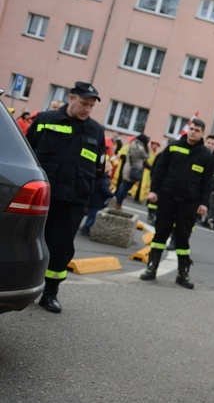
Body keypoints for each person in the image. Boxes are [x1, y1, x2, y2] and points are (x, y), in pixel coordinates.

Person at [26, 81, 106, 313]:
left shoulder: (96, 131)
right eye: (83, 104)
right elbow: (28, 153)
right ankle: (23, 284)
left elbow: (98, 169)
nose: (87, 109)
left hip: (74, 200)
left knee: (60, 249)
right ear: (71, 98)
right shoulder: (45, 120)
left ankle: (50, 293)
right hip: (43, 196)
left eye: (91, 106)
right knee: (29, 242)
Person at [140, 119, 213, 289]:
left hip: (189, 203)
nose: (192, 132)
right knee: (160, 234)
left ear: (202, 133)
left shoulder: (206, 156)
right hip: (167, 198)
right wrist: (154, 190)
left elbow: (207, 183)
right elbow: (159, 170)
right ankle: (152, 268)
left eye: (197, 130)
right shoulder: (173, 147)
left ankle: (182, 273)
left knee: (183, 238)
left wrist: (204, 203)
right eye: (191, 129)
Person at [113, 134, 149, 210]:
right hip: (133, 170)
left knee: (124, 186)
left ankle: (118, 203)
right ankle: (118, 204)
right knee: (125, 187)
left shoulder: (132, 145)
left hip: (128, 168)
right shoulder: (140, 148)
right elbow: (147, 156)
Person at [80, 160, 115, 236]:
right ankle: (86, 227)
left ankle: (86, 226)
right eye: (110, 171)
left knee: (90, 214)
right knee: (93, 215)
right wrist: (111, 194)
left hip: (94, 200)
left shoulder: (99, 178)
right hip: (98, 202)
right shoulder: (105, 181)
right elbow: (105, 191)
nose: (111, 172)